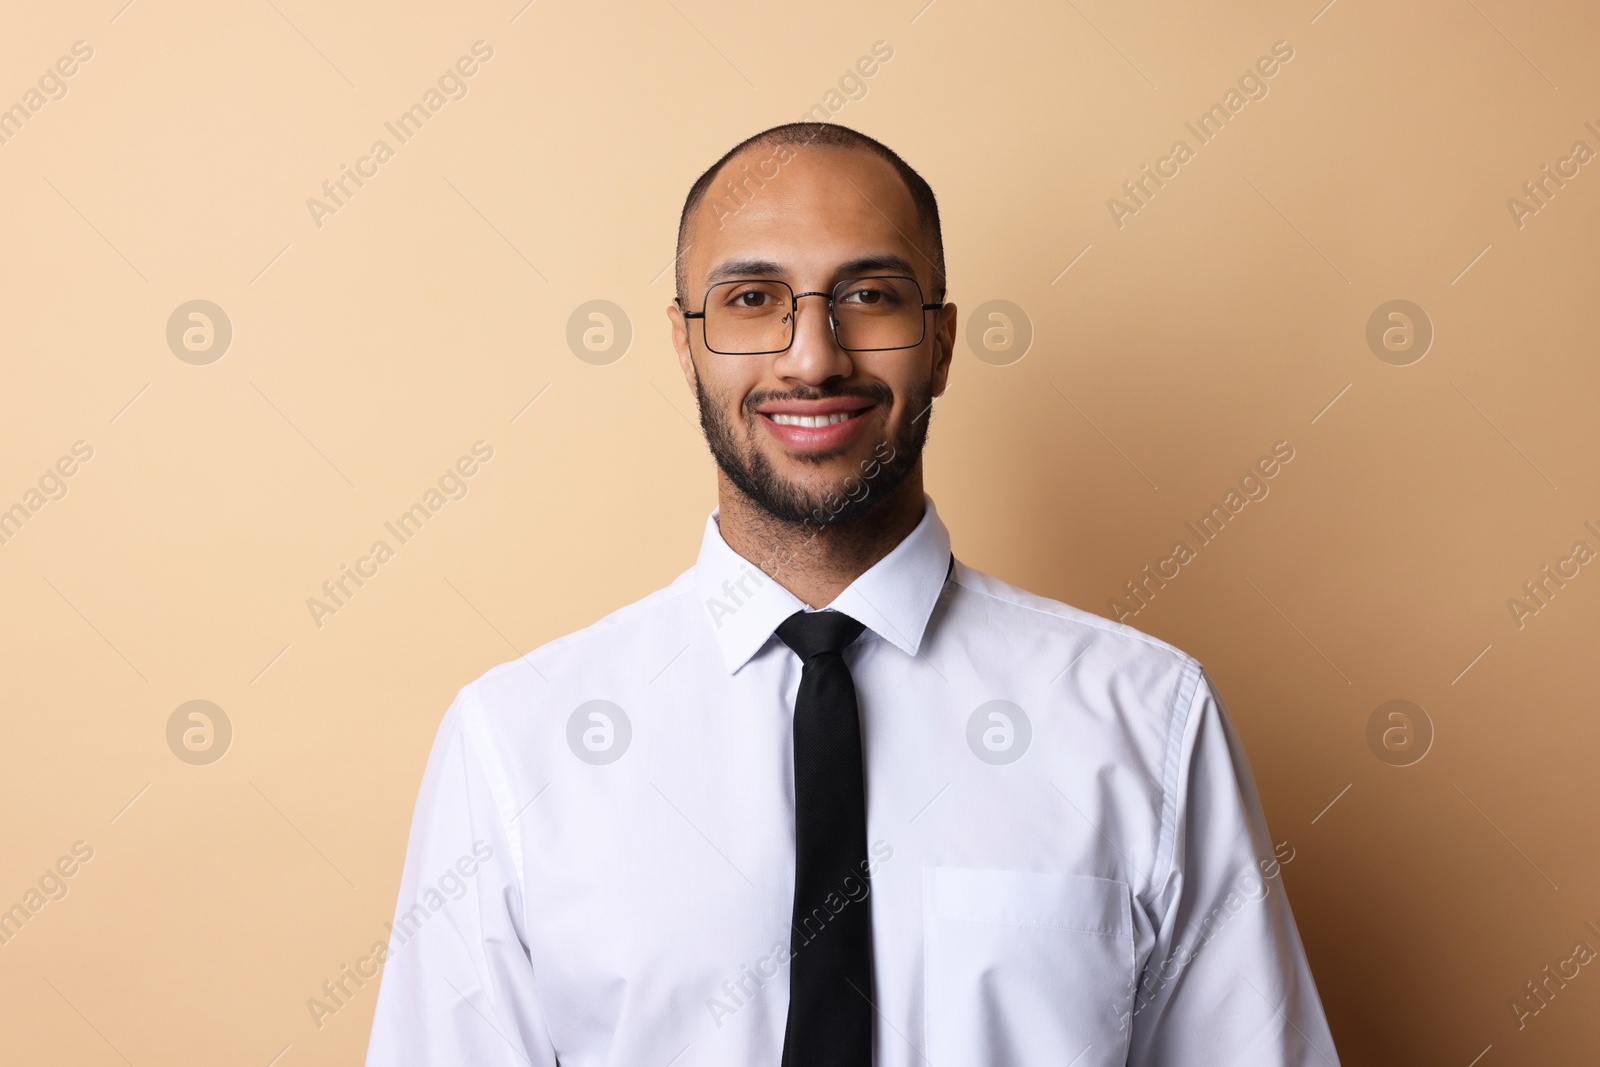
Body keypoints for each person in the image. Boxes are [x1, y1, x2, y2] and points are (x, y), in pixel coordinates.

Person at [364, 121, 1340, 1066]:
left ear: (942, 340)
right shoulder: (517, 741)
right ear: (685, 344)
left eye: (868, 293)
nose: (812, 356)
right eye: (752, 297)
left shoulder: (1144, 717)